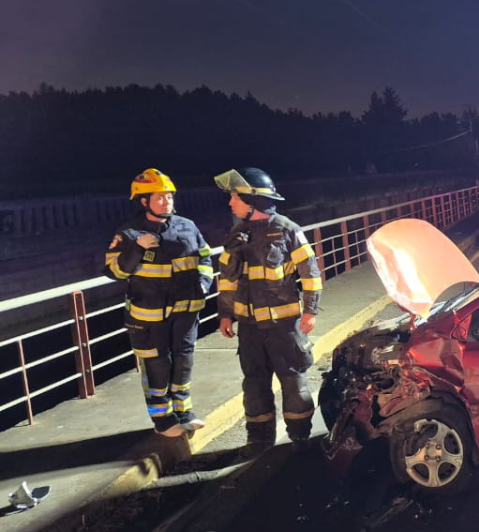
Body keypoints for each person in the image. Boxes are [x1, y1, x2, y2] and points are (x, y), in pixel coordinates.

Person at [214, 167, 323, 457]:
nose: (230, 203)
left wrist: (310, 311)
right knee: (254, 385)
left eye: (235, 197)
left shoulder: (287, 229)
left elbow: (310, 273)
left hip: (284, 326)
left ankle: (300, 438)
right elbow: (227, 281)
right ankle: (259, 440)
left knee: (293, 381)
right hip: (249, 329)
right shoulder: (236, 234)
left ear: (252, 200)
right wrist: (225, 315)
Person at [103, 168, 213, 437]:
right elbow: (114, 271)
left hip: (187, 308)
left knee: (184, 360)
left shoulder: (187, 226)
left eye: (169, 196)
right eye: (160, 198)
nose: (167, 202)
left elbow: (205, 257)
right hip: (149, 314)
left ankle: (184, 411)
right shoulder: (129, 232)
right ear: (144, 201)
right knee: (157, 365)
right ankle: (161, 418)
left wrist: (203, 283)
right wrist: (137, 247)